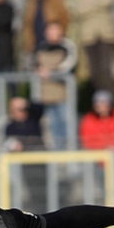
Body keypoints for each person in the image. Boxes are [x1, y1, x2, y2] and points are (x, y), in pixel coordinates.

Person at [34, 21, 78, 149]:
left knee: (67, 125)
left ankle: (71, 154)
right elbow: (32, 63)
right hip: (47, 96)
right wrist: (37, 70)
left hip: (64, 96)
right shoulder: (41, 47)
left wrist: (52, 72)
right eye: (50, 30)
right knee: (54, 128)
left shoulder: (67, 46)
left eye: (55, 30)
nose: (52, 33)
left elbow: (70, 65)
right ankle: (59, 155)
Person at [4, 97, 47, 213]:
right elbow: (9, 142)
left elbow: (40, 108)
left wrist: (26, 103)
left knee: (45, 190)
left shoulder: (33, 120)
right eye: (17, 109)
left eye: (22, 109)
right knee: (32, 191)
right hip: (25, 166)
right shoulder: (10, 127)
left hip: (40, 163)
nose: (21, 112)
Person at [75, 0, 114, 96]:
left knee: (106, 69)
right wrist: (97, 5)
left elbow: (108, 2)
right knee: (93, 71)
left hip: (105, 34)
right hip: (88, 35)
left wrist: (89, 5)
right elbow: (78, 10)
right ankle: (98, 98)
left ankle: (110, 99)